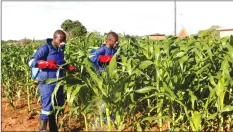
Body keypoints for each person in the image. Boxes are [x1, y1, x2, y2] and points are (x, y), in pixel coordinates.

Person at [28, 30, 77, 132]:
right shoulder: (45, 48)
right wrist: (46, 64)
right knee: (47, 105)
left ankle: (53, 128)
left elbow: (61, 62)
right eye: (61, 40)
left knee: (57, 105)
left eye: (65, 40)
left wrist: (68, 67)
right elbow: (31, 61)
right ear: (55, 38)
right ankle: (43, 128)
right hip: (47, 82)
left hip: (59, 81)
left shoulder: (60, 49)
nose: (63, 42)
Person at [89, 31, 119, 123]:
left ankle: (111, 115)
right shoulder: (103, 49)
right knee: (103, 97)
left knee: (111, 96)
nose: (117, 43)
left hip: (111, 76)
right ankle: (104, 116)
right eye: (115, 41)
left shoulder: (114, 50)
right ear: (110, 40)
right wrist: (104, 59)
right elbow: (91, 57)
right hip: (102, 76)